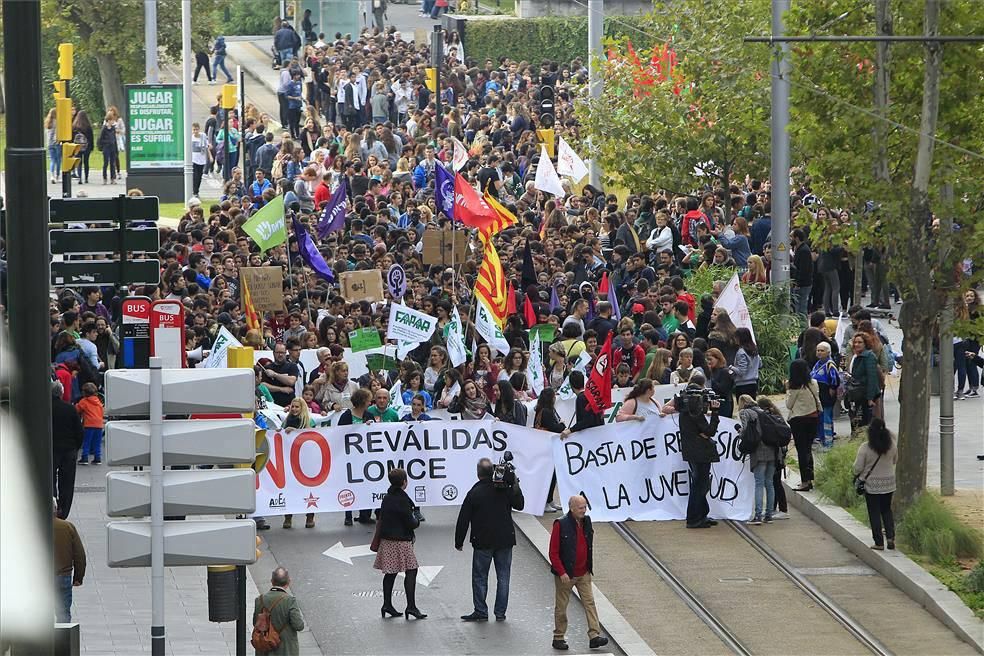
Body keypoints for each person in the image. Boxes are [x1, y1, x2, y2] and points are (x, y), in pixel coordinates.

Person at [454, 457, 525, 622]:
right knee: (504, 576)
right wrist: (514, 484)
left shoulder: (474, 492)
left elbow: (464, 518)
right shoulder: (505, 489)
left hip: (483, 541)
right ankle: (500, 612)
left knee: (480, 577)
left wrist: (459, 541)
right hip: (505, 539)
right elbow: (520, 505)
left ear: (478, 473)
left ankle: (480, 610)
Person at [548, 495, 609, 652]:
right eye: (581, 507)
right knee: (561, 606)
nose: (584, 510)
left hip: (583, 573)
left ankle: (594, 636)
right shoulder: (560, 524)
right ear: (572, 508)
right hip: (566, 574)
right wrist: (561, 572)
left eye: (585, 507)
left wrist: (588, 568)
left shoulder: (586, 522)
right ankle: (558, 637)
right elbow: (553, 552)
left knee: (590, 603)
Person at [375, 467, 427, 620]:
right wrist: (417, 522)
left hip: (387, 540)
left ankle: (387, 604)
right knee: (411, 571)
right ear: (404, 482)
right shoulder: (403, 500)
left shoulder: (387, 498)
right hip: (401, 541)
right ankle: (411, 607)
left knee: (390, 573)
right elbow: (410, 522)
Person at [676, 374, 720, 529]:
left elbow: (704, 432)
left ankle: (701, 514)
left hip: (693, 451)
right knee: (699, 485)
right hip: (700, 452)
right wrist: (715, 413)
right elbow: (710, 431)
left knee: (699, 483)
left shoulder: (685, 412)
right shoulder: (694, 414)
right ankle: (694, 518)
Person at [853, 418, 897, 550]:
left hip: (872, 485)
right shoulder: (892, 446)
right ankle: (890, 537)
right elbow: (895, 461)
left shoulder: (865, 448)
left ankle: (878, 542)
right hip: (889, 483)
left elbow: (857, 468)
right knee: (886, 510)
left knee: (874, 512)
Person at [337, 389, 377, 526]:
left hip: (365, 458)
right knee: (349, 486)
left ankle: (365, 514)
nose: (370, 402)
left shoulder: (369, 415)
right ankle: (348, 515)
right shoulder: (347, 416)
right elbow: (339, 433)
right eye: (368, 400)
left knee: (366, 485)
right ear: (362, 401)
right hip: (349, 457)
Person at [737, 395, 780, 524]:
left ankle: (758, 515)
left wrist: (739, 432)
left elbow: (745, 431)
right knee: (769, 483)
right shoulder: (764, 411)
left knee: (759, 483)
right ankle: (769, 514)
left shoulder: (745, 412)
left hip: (759, 451)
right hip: (773, 450)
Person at [785, 358, 821, 492]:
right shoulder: (814, 383)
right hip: (813, 418)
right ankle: (810, 477)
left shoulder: (794, 387)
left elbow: (789, 405)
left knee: (801, 450)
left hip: (799, 420)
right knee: (808, 448)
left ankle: (805, 481)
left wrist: (787, 390)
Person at [252, 567, 305, 656]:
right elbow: (298, 625)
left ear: (272, 581)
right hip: (285, 651)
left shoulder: (259, 600)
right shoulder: (290, 601)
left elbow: (255, 623)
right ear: (289, 582)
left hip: (264, 650)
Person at [281, 398, 316, 529]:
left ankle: (310, 516)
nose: (294, 409)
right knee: (290, 489)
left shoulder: (308, 421)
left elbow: (310, 435)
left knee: (309, 490)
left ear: (302, 408)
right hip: (290, 461)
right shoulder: (286, 421)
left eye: (297, 407)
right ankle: (288, 517)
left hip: (306, 461)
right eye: (293, 407)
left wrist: (295, 431)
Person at [52, 381, 83, 519]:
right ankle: (63, 511)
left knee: (50, 478)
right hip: (69, 450)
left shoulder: (43, 409)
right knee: (67, 481)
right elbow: (79, 431)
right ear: (61, 393)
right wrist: (76, 447)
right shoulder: (70, 409)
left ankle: (52, 504)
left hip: (51, 449)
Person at [54, 496, 86, 623]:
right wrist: (78, 577)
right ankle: (63, 641)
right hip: (63, 576)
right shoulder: (67, 527)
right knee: (63, 614)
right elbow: (79, 555)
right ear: (56, 509)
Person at [534, 388, 566, 513]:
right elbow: (554, 427)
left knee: (553, 475)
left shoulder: (544, 409)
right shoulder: (546, 411)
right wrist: (562, 424)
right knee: (549, 475)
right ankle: (545, 501)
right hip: (547, 447)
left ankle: (550, 499)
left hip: (547, 446)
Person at [846, 333, 880, 428]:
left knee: (864, 421)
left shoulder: (869, 356)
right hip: (856, 393)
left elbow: (872, 378)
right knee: (856, 420)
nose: (856, 344)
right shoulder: (856, 356)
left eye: (860, 342)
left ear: (866, 344)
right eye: (855, 342)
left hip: (865, 394)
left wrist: (870, 398)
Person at [810, 342, 840, 448]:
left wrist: (832, 388)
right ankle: (822, 439)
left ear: (828, 352)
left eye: (822, 350)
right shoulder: (817, 364)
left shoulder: (830, 364)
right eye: (818, 350)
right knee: (820, 418)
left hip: (827, 394)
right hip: (818, 395)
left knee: (827, 418)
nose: (819, 352)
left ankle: (828, 442)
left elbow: (835, 378)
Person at [75, 382, 104, 465]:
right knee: (97, 442)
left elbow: (77, 409)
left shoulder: (84, 401)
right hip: (99, 424)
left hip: (89, 424)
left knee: (87, 441)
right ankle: (97, 458)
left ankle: (84, 458)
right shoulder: (98, 401)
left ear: (84, 392)